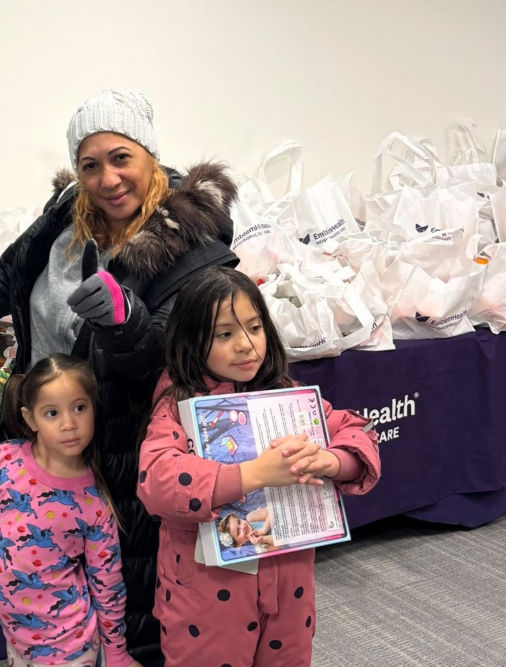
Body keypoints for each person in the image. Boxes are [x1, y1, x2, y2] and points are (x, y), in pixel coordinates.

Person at [0, 88, 239, 658]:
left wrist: (125, 323)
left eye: (121, 158)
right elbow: (10, 274)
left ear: (150, 156)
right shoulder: (67, 213)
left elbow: (167, 361)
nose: (107, 180)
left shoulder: (193, 248)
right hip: (49, 434)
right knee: (47, 589)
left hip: (121, 451)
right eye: (90, 164)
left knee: (125, 598)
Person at [136, 266, 381, 666]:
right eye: (224, 334)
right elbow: (157, 482)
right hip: (206, 596)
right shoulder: (177, 405)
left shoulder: (286, 395)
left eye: (254, 327)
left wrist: (332, 461)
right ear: (190, 340)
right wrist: (254, 474)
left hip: (289, 589)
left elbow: (359, 433)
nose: (246, 345)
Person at [0, 354, 143, 667]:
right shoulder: (4, 459)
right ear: (30, 419)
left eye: (79, 408)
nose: (69, 424)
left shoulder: (93, 502)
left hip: (71, 649)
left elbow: (107, 583)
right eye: (52, 413)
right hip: (15, 641)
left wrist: (117, 652)